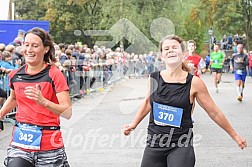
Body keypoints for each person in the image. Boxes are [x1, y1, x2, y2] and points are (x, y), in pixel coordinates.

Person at [123, 35, 247, 167]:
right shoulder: (154, 78)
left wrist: (235, 136)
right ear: (162, 55)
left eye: (174, 47)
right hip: (154, 142)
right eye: (166, 48)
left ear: (183, 54)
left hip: (180, 144)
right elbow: (148, 102)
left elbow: (214, 112)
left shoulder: (194, 83)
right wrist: (133, 124)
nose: (170, 50)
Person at [0, 27, 72, 167]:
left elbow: (67, 112)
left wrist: (43, 101)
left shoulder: (54, 74)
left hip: (49, 145)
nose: (29, 49)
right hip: (21, 143)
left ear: (45, 49)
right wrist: (1, 113)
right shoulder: (15, 75)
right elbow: (14, 98)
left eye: (35, 45)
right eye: (26, 45)